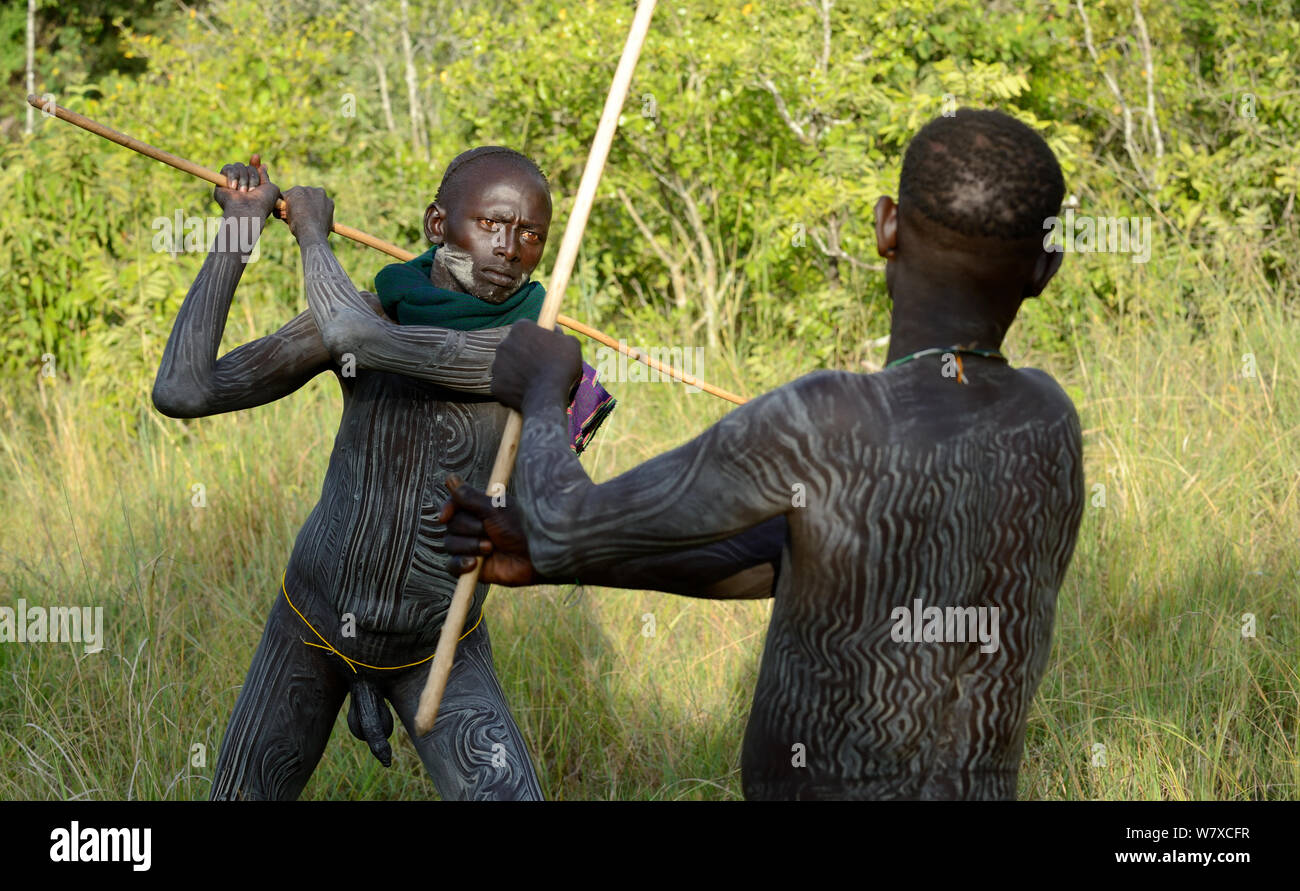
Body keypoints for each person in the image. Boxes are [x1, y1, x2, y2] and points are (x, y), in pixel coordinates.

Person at [439, 109, 1086, 800]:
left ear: (886, 226)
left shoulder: (826, 417)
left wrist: (542, 392)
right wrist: (547, 557)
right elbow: (791, 557)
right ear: (1046, 268)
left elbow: (566, 518)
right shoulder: (1049, 422)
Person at [153, 146, 610, 800]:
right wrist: (238, 230)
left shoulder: (532, 351)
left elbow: (354, 338)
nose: (510, 249)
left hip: (435, 647)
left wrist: (311, 231)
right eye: (491, 224)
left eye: (531, 234)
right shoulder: (372, 308)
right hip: (310, 623)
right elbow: (183, 388)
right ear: (437, 226)